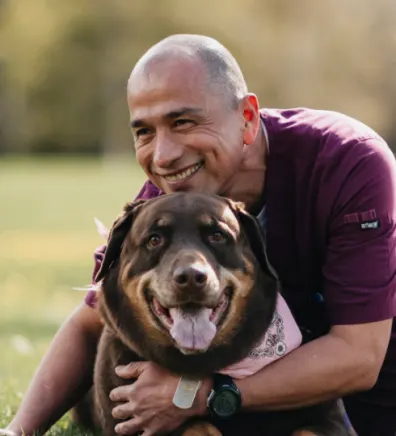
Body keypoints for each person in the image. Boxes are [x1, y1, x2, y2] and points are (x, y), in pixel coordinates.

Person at [4, 34, 396, 436]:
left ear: (247, 117)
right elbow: (91, 321)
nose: (163, 156)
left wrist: (203, 394)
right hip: (257, 385)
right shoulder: (173, 194)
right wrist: (19, 430)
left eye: (183, 122)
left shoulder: (349, 161)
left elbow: (359, 354)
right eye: (144, 132)